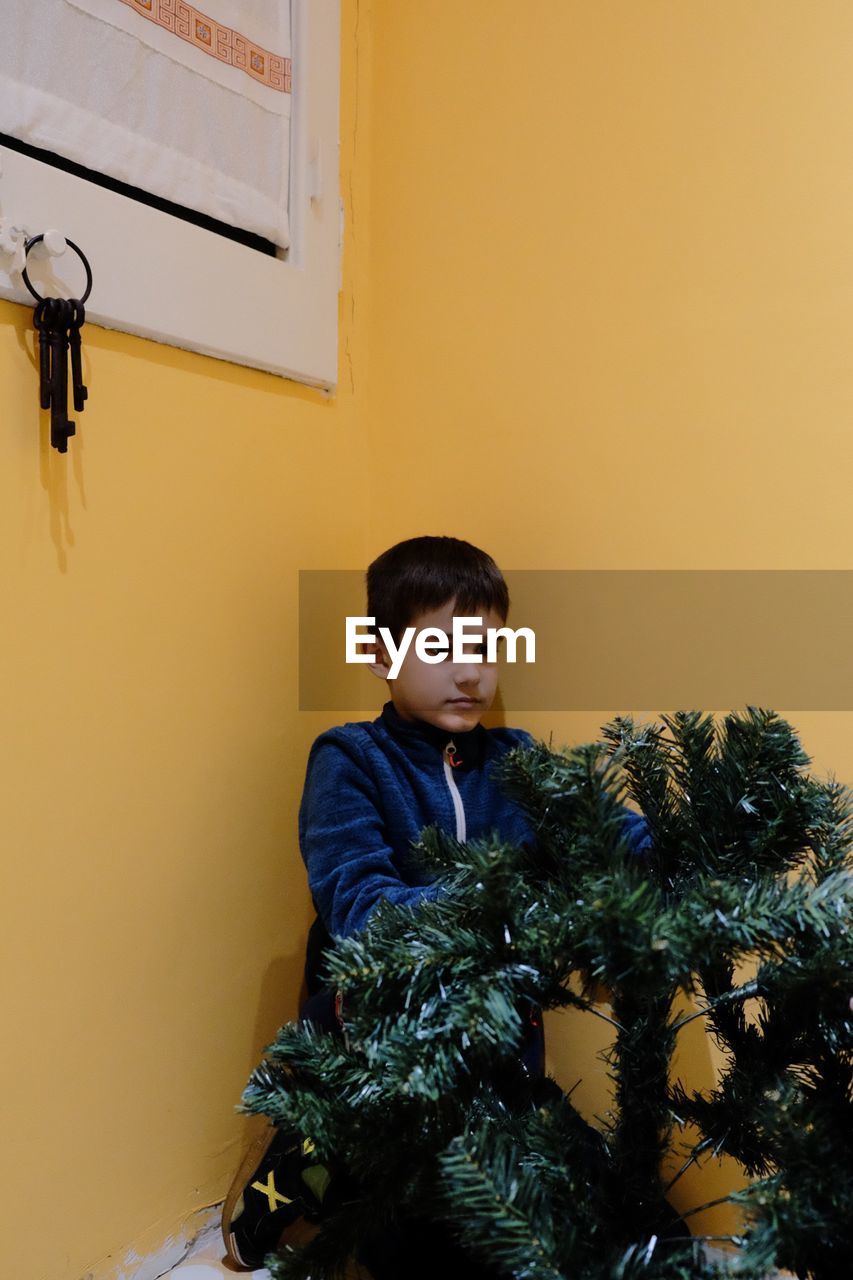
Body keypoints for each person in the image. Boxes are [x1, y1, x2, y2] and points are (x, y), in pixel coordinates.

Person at [222, 536, 651, 1273]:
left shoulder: (517, 761)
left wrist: (680, 841)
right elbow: (361, 904)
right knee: (428, 1243)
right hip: (383, 1066)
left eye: (485, 649)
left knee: (627, 1224)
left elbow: (610, 829)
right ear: (382, 655)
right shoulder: (351, 758)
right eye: (440, 647)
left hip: (500, 1064)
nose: (469, 670)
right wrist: (513, 912)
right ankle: (306, 1166)